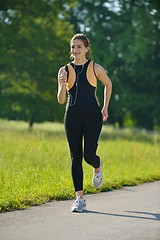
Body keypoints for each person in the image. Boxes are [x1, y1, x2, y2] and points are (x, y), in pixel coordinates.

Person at [57, 33, 112, 212]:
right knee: (75, 157)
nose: (75, 50)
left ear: (86, 49)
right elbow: (60, 99)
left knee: (89, 155)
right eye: (73, 46)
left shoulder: (95, 67)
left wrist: (105, 108)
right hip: (72, 115)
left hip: (92, 116)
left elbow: (108, 84)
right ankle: (79, 199)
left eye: (79, 46)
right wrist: (61, 84)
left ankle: (97, 167)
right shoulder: (64, 70)